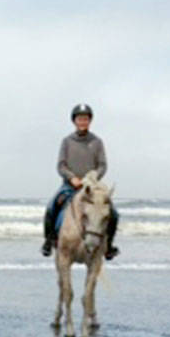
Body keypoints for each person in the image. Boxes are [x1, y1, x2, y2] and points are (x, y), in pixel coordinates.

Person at [41, 103, 120, 259]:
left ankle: (109, 246)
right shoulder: (67, 141)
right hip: (70, 185)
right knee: (51, 207)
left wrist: (92, 177)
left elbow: (102, 166)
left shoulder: (97, 142)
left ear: (90, 121)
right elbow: (61, 165)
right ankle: (49, 241)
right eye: (79, 119)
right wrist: (72, 178)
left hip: (91, 187)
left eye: (85, 119)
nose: (82, 122)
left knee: (114, 213)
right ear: (74, 121)